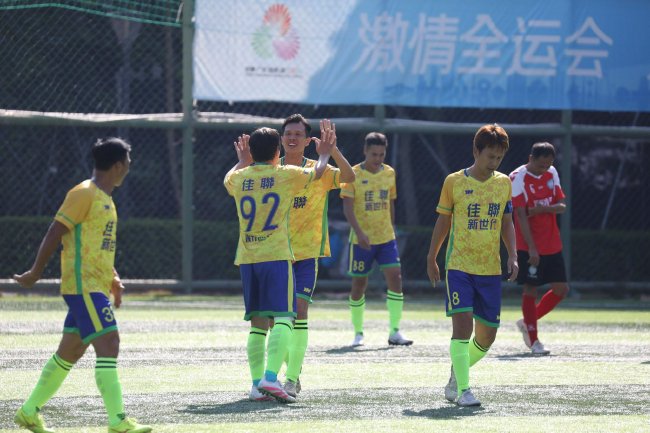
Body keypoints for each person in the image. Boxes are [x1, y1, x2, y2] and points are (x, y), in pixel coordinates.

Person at [13, 138, 152, 433]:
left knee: (71, 351)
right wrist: (36, 272)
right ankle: (117, 421)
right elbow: (55, 231)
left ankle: (28, 412)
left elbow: (97, 246)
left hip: (94, 286)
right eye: (128, 161)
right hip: (83, 286)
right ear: (118, 165)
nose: (130, 166)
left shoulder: (105, 199)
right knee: (110, 343)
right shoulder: (84, 193)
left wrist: (113, 279)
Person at [223, 125, 335, 404]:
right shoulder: (285, 174)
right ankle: (271, 378)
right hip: (276, 256)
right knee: (285, 317)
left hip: (247, 258)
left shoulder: (240, 177)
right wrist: (323, 154)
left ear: (252, 152)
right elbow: (317, 172)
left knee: (258, 324)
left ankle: (255, 385)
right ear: (277, 152)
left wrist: (242, 161)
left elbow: (227, 178)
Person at [426, 124, 519, 407]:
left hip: (490, 269)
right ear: (476, 151)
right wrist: (432, 257)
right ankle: (464, 390)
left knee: (487, 336)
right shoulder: (454, 182)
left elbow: (506, 222)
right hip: (459, 266)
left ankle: (458, 371)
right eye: (490, 156)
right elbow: (443, 221)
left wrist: (513, 255)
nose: (494, 162)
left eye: (499, 157)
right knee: (463, 325)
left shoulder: (504, 183)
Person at [279, 114, 355, 398]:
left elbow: (349, 177)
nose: (293, 138)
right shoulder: (272, 170)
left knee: (299, 313)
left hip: (306, 255)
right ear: (281, 138)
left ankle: (291, 378)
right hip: (275, 254)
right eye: (288, 133)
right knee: (277, 321)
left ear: (308, 140)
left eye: (298, 134)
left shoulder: (318, 169)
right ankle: (288, 369)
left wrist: (332, 150)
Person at [340, 132, 413, 347]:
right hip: (361, 241)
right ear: (365, 151)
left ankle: (395, 332)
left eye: (381, 154)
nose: (378, 158)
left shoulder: (389, 173)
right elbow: (347, 208)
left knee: (396, 279)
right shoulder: (352, 174)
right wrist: (360, 233)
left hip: (386, 238)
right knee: (359, 285)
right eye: (374, 154)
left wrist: (392, 228)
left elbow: (390, 203)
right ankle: (358, 333)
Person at [509, 142, 569, 355]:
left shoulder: (552, 172)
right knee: (530, 289)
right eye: (541, 164)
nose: (545, 169)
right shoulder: (517, 178)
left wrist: (544, 209)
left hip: (551, 241)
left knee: (561, 289)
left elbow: (561, 206)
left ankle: (527, 322)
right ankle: (534, 341)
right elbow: (521, 215)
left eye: (548, 165)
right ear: (531, 159)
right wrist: (532, 249)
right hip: (528, 243)